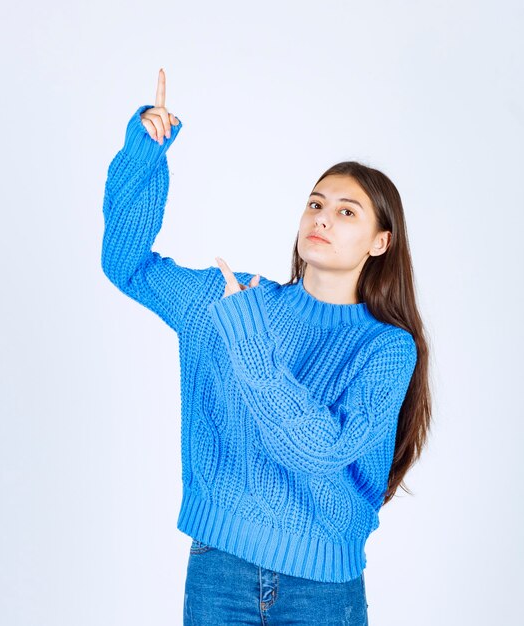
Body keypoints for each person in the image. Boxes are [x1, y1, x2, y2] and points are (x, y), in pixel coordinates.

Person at [101, 67, 432, 626]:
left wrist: (249, 338)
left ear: (381, 241)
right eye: (315, 204)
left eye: (346, 212)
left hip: (323, 586)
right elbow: (125, 263)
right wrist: (145, 156)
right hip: (219, 566)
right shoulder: (233, 300)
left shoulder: (387, 348)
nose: (321, 218)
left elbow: (321, 449)